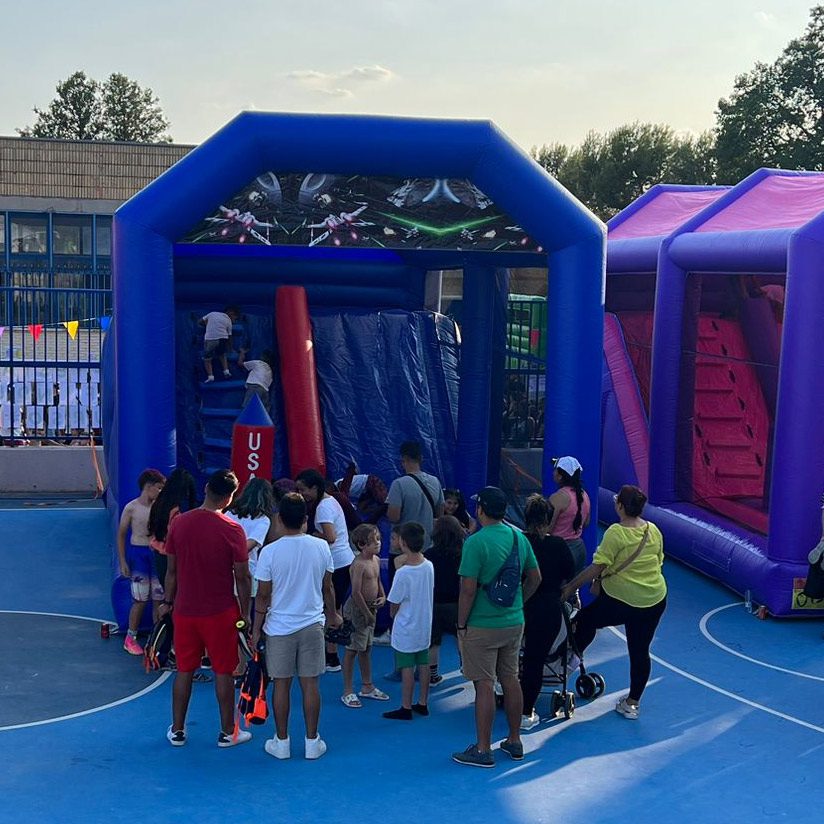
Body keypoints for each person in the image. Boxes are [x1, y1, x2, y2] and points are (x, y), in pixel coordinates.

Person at [160, 469, 252, 748]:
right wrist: (245, 613)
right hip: (220, 611)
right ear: (229, 498)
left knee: (184, 670)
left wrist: (167, 602)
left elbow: (171, 570)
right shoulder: (232, 530)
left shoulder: (179, 523)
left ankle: (178, 729)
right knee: (223, 671)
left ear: (206, 489)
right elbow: (242, 576)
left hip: (185, 610)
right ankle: (227, 731)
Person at [561, 485, 667, 720]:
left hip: (622, 600)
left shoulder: (616, 533)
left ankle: (571, 660)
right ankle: (632, 704)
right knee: (640, 651)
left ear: (620, 506)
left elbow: (597, 566)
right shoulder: (653, 530)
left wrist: (570, 587)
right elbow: (658, 561)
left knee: (584, 620)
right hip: (654, 600)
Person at [452, 486, 541, 768]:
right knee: (511, 679)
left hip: (482, 624)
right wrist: (520, 603)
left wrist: (461, 624)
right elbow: (535, 577)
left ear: (480, 510)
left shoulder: (475, 543)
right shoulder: (518, 537)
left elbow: (468, 589)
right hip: (513, 621)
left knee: (484, 684)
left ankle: (482, 749)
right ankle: (514, 740)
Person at [251, 492, 342, 760]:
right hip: (312, 624)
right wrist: (333, 615)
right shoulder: (321, 547)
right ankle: (312, 741)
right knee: (310, 684)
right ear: (305, 519)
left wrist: (255, 629)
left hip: (279, 627)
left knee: (281, 684)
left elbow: (263, 596)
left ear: (279, 519)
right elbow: (328, 587)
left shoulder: (269, 552)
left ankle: (282, 742)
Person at [519, 494, 575, 730]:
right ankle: (526, 713)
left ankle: (507, 691)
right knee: (535, 659)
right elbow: (569, 574)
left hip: (518, 606)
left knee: (512, 657)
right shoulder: (558, 545)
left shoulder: (518, 542)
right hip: (547, 609)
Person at [295, 468, 356, 673]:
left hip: (336, 563)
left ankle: (331, 656)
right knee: (334, 608)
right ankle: (332, 654)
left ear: (314, 488)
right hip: (342, 561)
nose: (301, 494)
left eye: (303, 489)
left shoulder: (323, 507)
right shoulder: (331, 501)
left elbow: (330, 537)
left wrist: (311, 534)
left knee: (330, 608)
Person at [383, 522, 435, 721]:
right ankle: (423, 702)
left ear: (403, 543)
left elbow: (394, 602)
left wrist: (393, 616)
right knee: (423, 663)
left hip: (406, 626)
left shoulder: (403, 573)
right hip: (424, 623)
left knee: (406, 666)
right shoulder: (428, 565)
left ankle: (405, 706)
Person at [117, 468, 166, 655]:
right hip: (138, 556)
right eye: (159, 488)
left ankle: (156, 637)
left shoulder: (159, 507)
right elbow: (121, 534)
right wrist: (123, 561)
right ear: (149, 487)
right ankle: (131, 637)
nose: (160, 492)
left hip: (156, 553)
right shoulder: (131, 508)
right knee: (140, 599)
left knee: (159, 598)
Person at [340, 524, 389, 707]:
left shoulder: (375, 560)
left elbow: (377, 580)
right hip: (357, 610)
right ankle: (347, 690)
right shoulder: (359, 564)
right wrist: (366, 613)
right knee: (352, 649)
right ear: (361, 545)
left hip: (370, 608)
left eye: (378, 539)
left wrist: (382, 596)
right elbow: (356, 592)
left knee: (366, 647)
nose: (378, 543)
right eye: (373, 541)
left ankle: (367, 686)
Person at [386, 440, 444, 573]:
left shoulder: (398, 484)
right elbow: (440, 514)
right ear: (421, 458)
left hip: (402, 550)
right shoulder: (435, 482)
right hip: (426, 548)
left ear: (404, 459)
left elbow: (394, 517)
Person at [426, 515, 465, 685]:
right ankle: (465, 666)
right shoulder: (461, 554)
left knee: (433, 642)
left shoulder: (429, 554)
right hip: (456, 603)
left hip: (433, 603)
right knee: (460, 636)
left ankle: (432, 674)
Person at [148, 468, 197, 595]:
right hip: (174, 555)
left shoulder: (159, 504)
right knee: (177, 593)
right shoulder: (178, 511)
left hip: (160, 551)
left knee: (168, 591)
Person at [548, 456, 591, 574]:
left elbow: (549, 528)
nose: (553, 472)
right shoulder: (584, 495)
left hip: (560, 550)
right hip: (579, 548)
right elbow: (586, 522)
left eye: (555, 470)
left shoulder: (557, 497)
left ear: (560, 476)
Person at [199, 305, 240, 382]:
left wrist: (207, 325)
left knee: (207, 358)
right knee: (222, 355)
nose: (234, 321)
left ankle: (210, 376)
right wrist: (231, 348)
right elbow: (230, 336)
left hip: (211, 338)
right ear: (231, 313)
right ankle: (226, 371)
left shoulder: (212, 314)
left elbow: (200, 321)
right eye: (235, 318)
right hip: (223, 338)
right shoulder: (229, 321)